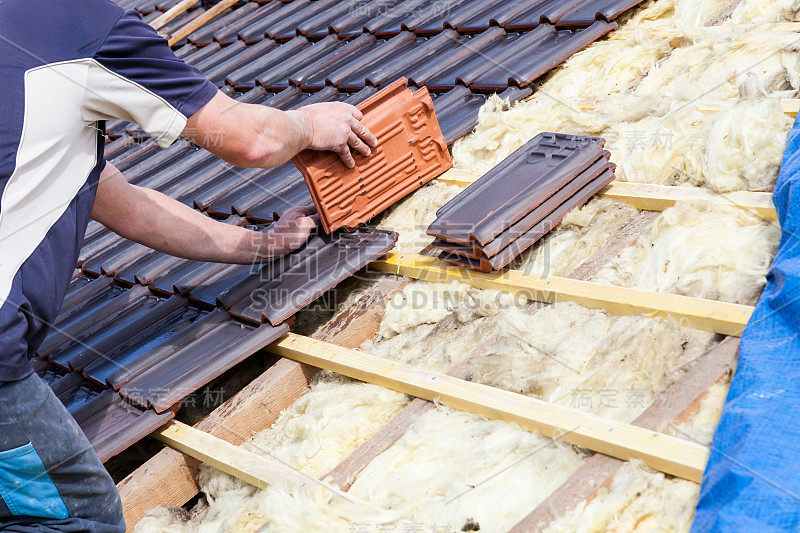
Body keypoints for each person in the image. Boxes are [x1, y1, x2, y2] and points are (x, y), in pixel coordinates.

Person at [0, 0, 377, 530]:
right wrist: (309, 122)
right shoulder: (76, 20)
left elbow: (121, 202)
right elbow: (250, 137)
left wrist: (258, 246)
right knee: (75, 516)